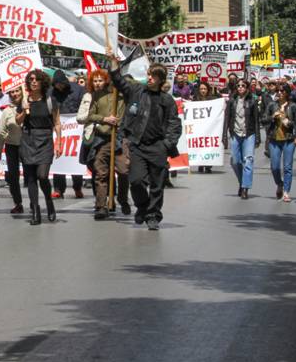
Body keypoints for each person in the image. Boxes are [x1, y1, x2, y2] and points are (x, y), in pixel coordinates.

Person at [110, 50, 182, 230]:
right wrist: (113, 62)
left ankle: (153, 216)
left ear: (160, 80)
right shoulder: (136, 91)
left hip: (158, 147)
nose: (149, 78)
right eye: (149, 75)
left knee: (157, 185)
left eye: (153, 76)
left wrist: (167, 144)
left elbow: (174, 124)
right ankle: (142, 207)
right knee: (136, 181)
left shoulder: (167, 100)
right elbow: (118, 81)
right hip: (138, 146)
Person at [78, 69, 130, 220]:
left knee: (124, 171)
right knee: (100, 173)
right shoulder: (96, 95)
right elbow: (90, 115)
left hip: (120, 138)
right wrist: (104, 119)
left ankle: (122, 199)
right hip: (102, 138)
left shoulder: (123, 94)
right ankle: (101, 206)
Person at [16, 69, 62, 225]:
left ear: (43, 82)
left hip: (45, 140)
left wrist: (59, 142)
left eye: (36, 79)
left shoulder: (50, 101)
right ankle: (35, 211)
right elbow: (18, 121)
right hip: (28, 140)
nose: (33, 82)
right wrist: (24, 110)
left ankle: (49, 201)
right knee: (30, 178)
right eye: (31, 79)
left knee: (42, 176)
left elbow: (57, 123)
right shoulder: (24, 100)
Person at [50, 70, 86, 199]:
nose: (59, 87)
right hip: (59, 128)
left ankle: (77, 187)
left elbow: (84, 106)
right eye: (57, 85)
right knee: (58, 158)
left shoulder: (78, 90)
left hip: (75, 129)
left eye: (61, 85)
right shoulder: (51, 92)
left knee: (75, 158)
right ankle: (58, 189)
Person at [263, 83, 296, 202]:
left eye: (282, 91)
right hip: (274, 140)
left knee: (287, 167)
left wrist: (288, 123)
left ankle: (286, 192)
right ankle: (279, 183)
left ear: (287, 93)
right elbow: (263, 120)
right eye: (278, 90)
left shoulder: (293, 106)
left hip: (288, 140)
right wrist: (272, 117)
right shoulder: (272, 105)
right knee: (274, 166)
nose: (280, 93)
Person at [225, 78, 260, 199]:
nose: (240, 87)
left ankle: (245, 188)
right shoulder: (231, 101)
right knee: (235, 161)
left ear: (247, 87)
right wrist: (225, 136)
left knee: (248, 160)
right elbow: (227, 118)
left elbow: (256, 120)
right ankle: (242, 181)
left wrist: (257, 137)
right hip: (235, 133)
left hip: (249, 134)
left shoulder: (252, 101)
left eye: (243, 85)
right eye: (238, 85)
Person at [0, 85, 26, 214]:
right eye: (12, 92)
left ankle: (34, 202)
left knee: (31, 175)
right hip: (12, 146)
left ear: (22, 91)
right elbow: (2, 132)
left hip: (27, 146)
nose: (14, 94)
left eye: (17, 91)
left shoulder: (29, 107)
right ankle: (18, 203)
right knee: (13, 176)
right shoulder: (7, 111)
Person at [191, 81, 217, 173]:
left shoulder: (213, 100)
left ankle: (208, 165)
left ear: (208, 90)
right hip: (199, 127)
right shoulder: (195, 100)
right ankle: (201, 163)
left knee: (209, 145)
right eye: (201, 89)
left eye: (205, 89)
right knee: (200, 145)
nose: (203, 90)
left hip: (210, 127)